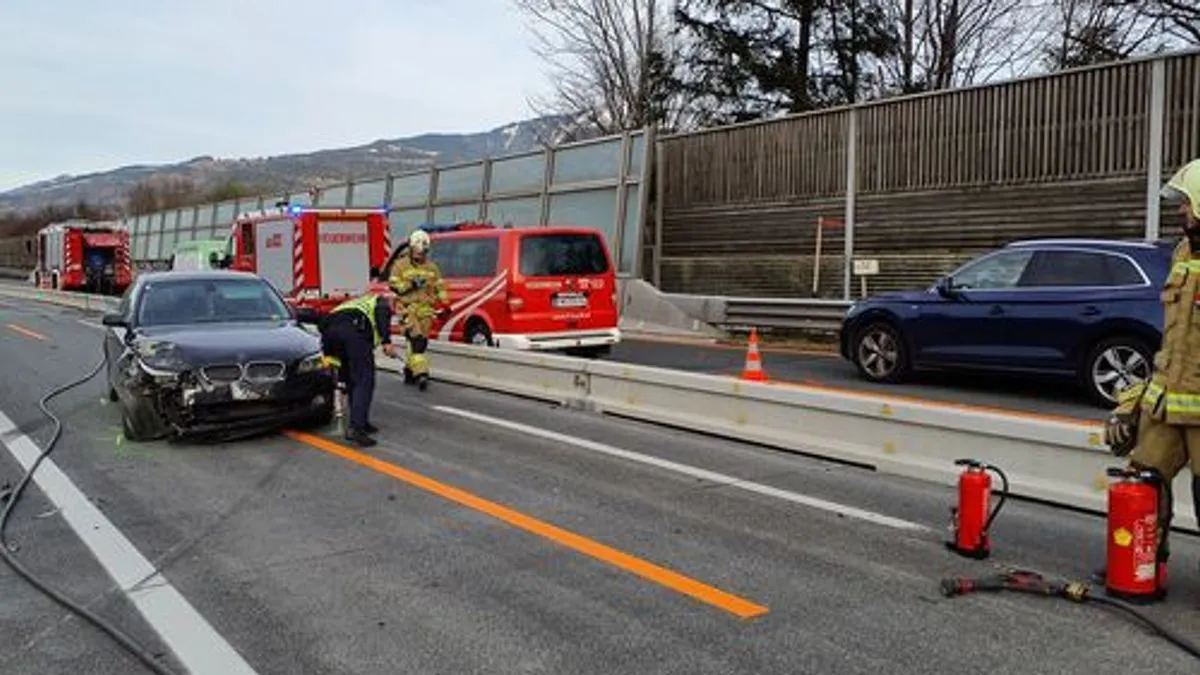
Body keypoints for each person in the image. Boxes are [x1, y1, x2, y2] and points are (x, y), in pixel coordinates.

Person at [1104, 157, 1200, 582]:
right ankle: (1139, 567)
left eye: (1188, 203)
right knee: (1142, 483)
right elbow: (1174, 341)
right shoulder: (1182, 252)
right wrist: (1133, 401)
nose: (1181, 211)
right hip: (1167, 402)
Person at [319, 282, 396, 447]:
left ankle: (361, 421)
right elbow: (382, 314)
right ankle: (356, 428)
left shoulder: (356, 302)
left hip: (330, 333)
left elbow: (324, 321)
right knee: (364, 380)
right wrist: (387, 341)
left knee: (353, 381)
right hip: (353, 333)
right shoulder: (380, 302)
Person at [389, 229, 451, 391]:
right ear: (410, 249)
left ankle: (410, 370)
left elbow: (440, 288)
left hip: (426, 311)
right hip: (407, 310)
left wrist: (445, 304)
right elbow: (394, 286)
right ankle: (421, 374)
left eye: (423, 253)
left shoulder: (432, 268)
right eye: (417, 252)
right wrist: (411, 284)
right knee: (418, 341)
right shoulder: (400, 266)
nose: (420, 255)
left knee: (418, 342)